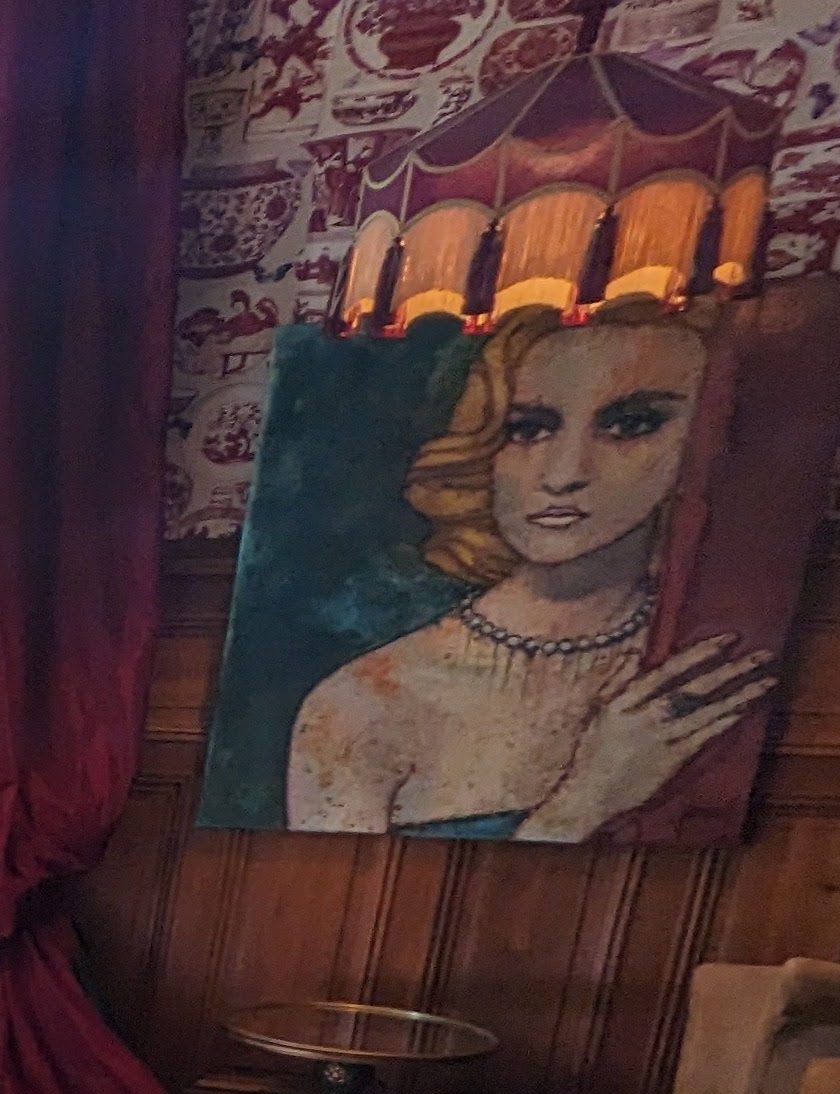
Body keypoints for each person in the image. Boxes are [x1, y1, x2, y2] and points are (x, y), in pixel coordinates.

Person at [284, 302, 777, 839]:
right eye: (528, 430)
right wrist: (587, 799)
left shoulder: (704, 662)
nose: (563, 475)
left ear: (705, 440)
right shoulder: (365, 702)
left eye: (630, 425)